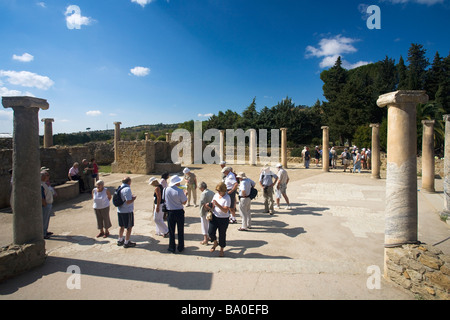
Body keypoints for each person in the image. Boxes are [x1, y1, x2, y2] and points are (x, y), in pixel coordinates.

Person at [206, 182, 230, 257]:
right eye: (218, 191)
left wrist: (217, 204)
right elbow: (213, 204)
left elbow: (225, 210)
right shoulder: (216, 195)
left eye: (220, 191)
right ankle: (215, 242)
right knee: (210, 232)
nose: (219, 192)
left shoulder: (227, 198)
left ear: (224, 190)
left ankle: (221, 249)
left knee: (222, 234)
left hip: (223, 218)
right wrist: (209, 205)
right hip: (215, 216)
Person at [165, 175, 188, 253]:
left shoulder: (166, 189)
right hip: (179, 212)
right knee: (180, 230)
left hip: (170, 212)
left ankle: (172, 247)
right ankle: (180, 247)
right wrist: (186, 194)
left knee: (171, 231)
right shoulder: (179, 191)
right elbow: (184, 202)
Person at [117, 177, 137, 248]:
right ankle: (126, 242)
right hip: (127, 211)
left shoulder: (120, 188)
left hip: (120, 210)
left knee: (121, 226)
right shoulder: (127, 189)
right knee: (129, 227)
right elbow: (128, 201)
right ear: (129, 182)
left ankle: (120, 240)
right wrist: (133, 198)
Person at [41, 170, 54, 239]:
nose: (48, 177)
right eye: (46, 175)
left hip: (48, 204)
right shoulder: (41, 185)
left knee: (46, 219)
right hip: (45, 205)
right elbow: (41, 196)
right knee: (44, 219)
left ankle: (45, 231)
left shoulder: (44, 183)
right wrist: (45, 204)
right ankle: (43, 233)